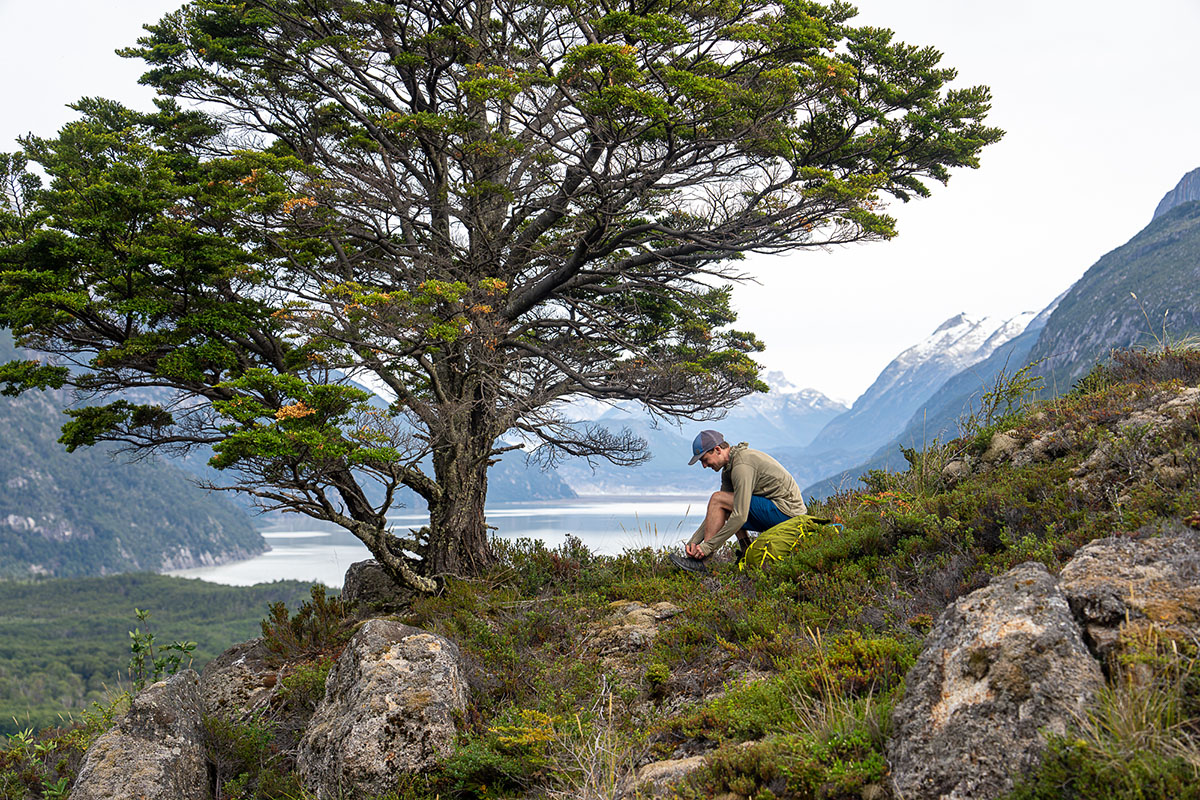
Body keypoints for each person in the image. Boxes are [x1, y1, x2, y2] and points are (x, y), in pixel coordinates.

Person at [671, 430, 807, 572]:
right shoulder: (729, 468)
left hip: (788, 513)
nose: (704, 465)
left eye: (704, 459)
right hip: (778, 511)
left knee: (720, 500)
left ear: (717, 450)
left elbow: (739, 515)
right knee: (722, 503)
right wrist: (694, 541)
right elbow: (718, 510)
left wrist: (708, 546)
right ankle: (746, 551)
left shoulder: (742, 465)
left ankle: (704, 563)